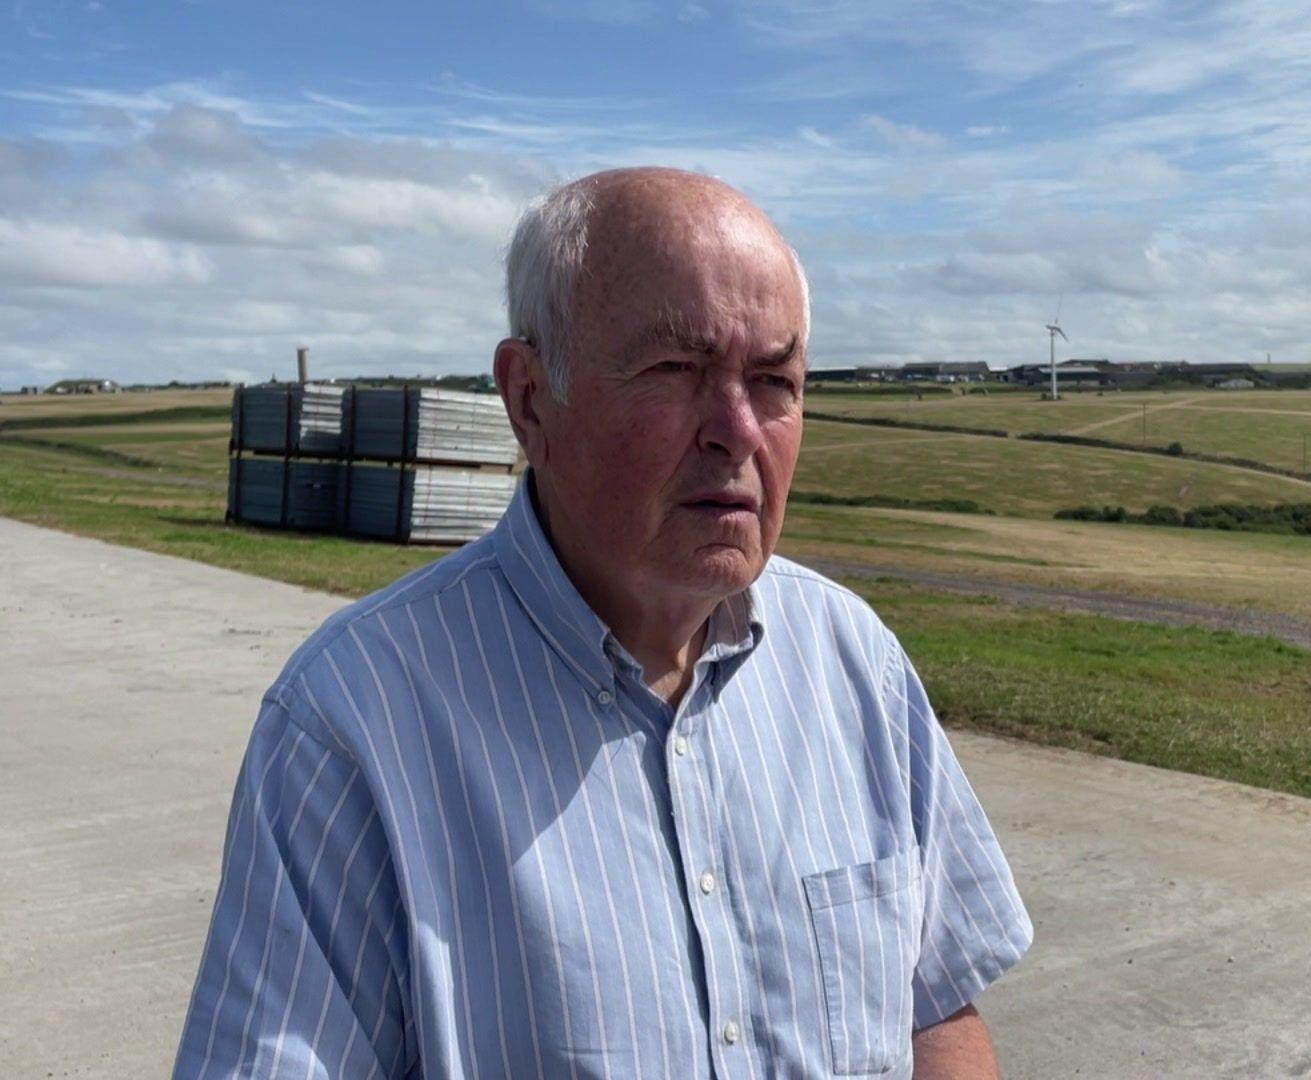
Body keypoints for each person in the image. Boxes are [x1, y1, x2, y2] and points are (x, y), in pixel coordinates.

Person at [174, 167, 1032, 1078]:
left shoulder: (854, 662)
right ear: (530, 399)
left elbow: (934, 1010)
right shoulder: (354, 725)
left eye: (774, 379)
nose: (737, 429)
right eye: (676, 370)